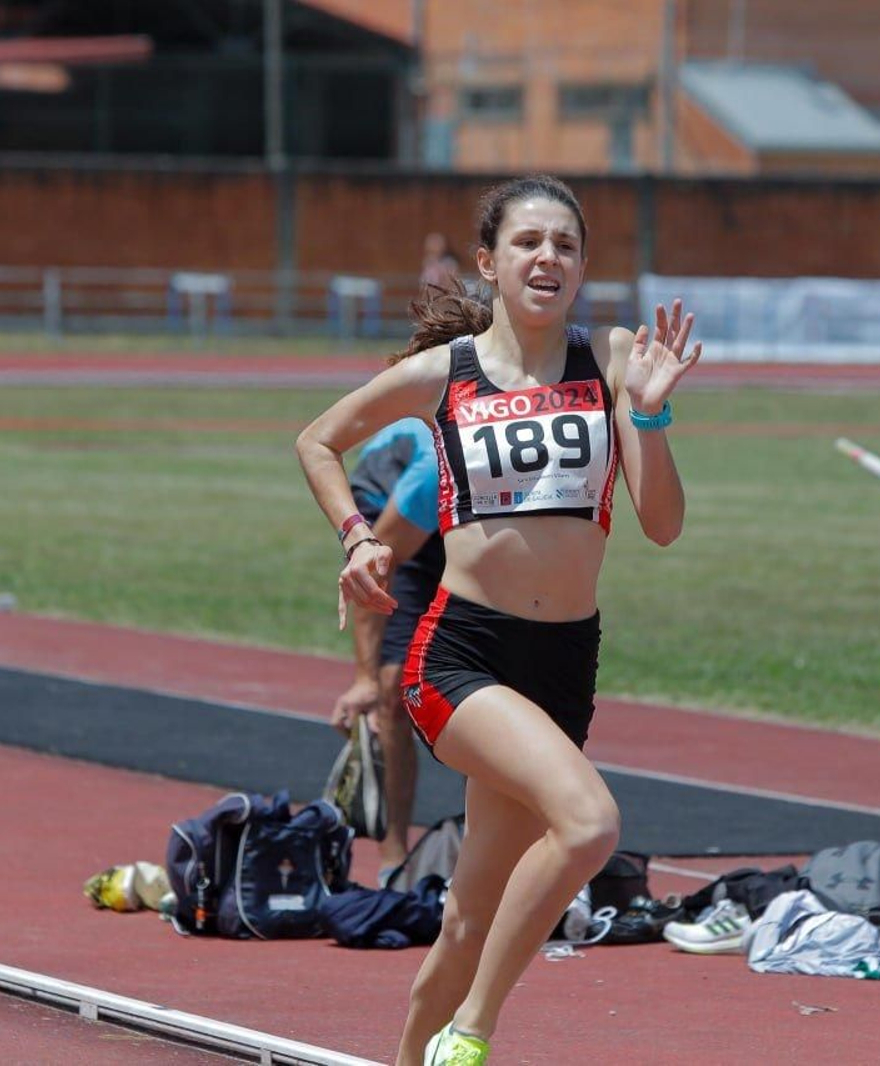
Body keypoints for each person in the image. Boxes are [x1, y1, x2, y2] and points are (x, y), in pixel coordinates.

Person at [296, 174, 700, 1066]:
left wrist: (651, 410)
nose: (547, 257)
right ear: (489, 262)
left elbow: (663, 525)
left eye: (565, 244)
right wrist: (359, 537)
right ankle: (469, 1036)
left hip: (564, 664)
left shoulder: (613, 360)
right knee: (590, 825)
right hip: (460, 656)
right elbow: (317, 440)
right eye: (527, 242)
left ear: (584, 264)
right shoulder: (449, 372)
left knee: (470, 919)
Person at [330, 417, 445, 881]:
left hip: (464, 527)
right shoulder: (433, 472)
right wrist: (364, 678)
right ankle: (393, 856)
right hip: (390, 528)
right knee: (391, 691)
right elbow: (375, 575)